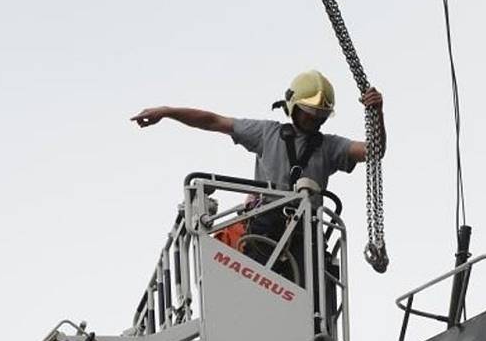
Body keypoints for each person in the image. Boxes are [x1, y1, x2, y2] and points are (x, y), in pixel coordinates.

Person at [131, 69, 385, 285]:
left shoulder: (329, 147)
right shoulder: (267, 133)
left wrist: (377, 113)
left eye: (320, 116)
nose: (314, 120)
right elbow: (212, 121)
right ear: (293, 107)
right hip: (266, 224)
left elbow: (375, 150)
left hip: (306, 233)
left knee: (314, 294)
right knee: (260, 287)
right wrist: (166, 111)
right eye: (309, 113)